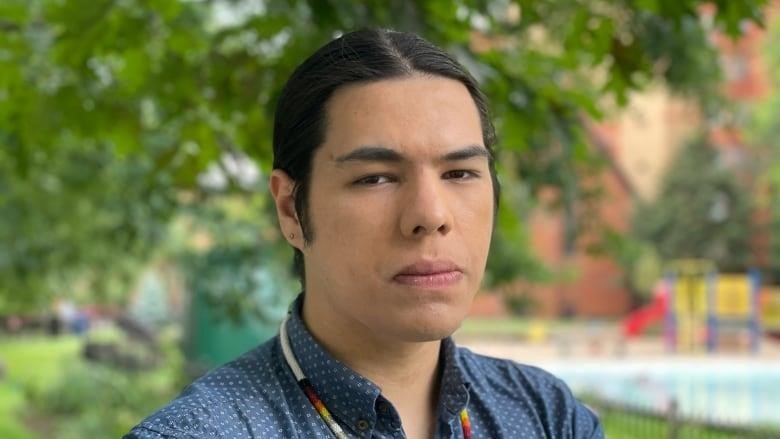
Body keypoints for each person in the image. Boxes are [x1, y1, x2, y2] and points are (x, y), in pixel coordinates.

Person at [124, 28, 604, 439]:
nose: (430, 215)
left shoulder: (545, 416)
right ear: (292, 209)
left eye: (459, 173)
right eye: (375, 177)